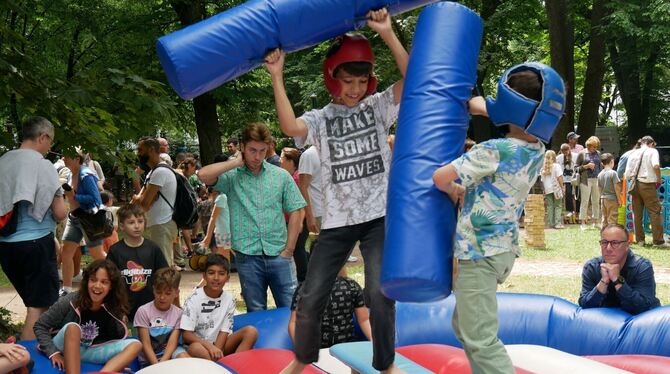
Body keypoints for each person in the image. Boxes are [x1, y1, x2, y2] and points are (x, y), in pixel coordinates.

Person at [264, 8, 407, 373]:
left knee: (378, 293)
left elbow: (414, 77)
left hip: (378, 218)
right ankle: (302, 359)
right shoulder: (322, 118)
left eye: (361, 82)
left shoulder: (377, 108)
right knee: (310, 296)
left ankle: (385, 363)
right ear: (333, 79)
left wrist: (387, 33)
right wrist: (277, 77)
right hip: (338, 222)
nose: (355, 90)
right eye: (348, 82)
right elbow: (287, 125)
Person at [433, 62, 565, 374]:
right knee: (465, 327)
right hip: (501, 250)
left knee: (479, 338)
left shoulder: (493, 150)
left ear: (508, 105)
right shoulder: (536, 148)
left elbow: (439, 177)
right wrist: (481, 107)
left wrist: (453, 189)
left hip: (479, 253)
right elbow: (492, 111)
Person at [198, 123, 306, 312]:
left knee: (292, 310)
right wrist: (234, 163)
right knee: (255, 311)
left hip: (279, 253)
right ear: (242, 148)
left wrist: (289, 250)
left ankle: (292, 343)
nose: (257, 156)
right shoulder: (231, 176)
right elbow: (202, 175)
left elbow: (297, 210)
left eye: (262, 151)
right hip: (247, 256)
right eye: (252, 150)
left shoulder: (280, 176)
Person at [0, 117, 67, 340]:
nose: (50, 148)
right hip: (36, 245)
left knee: (38, 306)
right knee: (37, 309)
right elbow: (59, 212)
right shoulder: (42, 165)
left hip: (7, 247)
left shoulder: (4, 161)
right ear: (43, 137)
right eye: (51, 141)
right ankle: (26, 362)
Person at [34, 259, 142, 374]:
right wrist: (53, 352)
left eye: (104, 282)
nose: (97, 286)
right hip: (64, 347)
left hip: (90, 351)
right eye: (93, 280)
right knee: (73, 328)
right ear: (87, 281)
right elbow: (40, 326)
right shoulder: (71, 300)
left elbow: (117, 338)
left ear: (111, 286)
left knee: (136, 344)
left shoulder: (114, 306)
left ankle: (102, 373)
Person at [180, 254, 258, 360]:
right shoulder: (193, 298)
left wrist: (217, 351)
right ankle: (219, 367)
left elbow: (224, 330)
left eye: (221, 274)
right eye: (211, 273)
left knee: (251, 331)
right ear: (204, 276)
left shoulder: (229, 299)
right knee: (195, 347)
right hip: (200, 346)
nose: (216, 278)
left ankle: (234, 365)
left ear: (227, 278)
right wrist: (210, 347)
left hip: (220, 346)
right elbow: (186, 334)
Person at [578, 224, 661, 315]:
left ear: (627, 245)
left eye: (615, 243)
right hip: (606, 325)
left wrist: (617, 280)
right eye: (604, 242)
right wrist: (603, 281)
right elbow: (584, 306)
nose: (608, 248)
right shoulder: (591, 267)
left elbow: (644, 307)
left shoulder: (642, 267)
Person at [107, 204, 169, 321]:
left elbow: (165, 276)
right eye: (131, 223)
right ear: (122, 226)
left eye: (140, 221)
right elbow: (110, 282)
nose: (137, 226)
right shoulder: (115, 250)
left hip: (151, 308)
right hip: (125, 309)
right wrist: (118, 309)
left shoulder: (153, 248)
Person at [60, 148, 106, 297]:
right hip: (74, 218)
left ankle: (116, 279)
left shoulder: (86, 175)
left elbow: (95, 199)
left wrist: (75, 195)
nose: (63, 158)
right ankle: (66, 289)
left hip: (89, 219)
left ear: (77, 159)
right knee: (66, 252)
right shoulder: (70, 174)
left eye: (66, 156)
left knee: (97, 254)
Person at [289, 266, 371, 348]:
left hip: (324, 348)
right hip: (342, 346)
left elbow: (294, 322)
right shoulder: (352, 286)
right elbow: (364, 320)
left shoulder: (305, 288)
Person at [132, 137, 179, 268]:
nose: (138, 153)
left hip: (162, 224)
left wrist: (138, 199)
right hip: (159, 224)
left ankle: (168, 288)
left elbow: (144, 204)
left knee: (162, 266)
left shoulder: (160, 172)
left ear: (152, 150)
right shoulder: (153, 172)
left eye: (140, 150)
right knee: (161, 264)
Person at [134, 267, 189, 366]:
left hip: (170, 353)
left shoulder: (179, 313)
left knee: (185, 359)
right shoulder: (143, 311)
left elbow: (173, 342)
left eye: (168, 293)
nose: (162, 297)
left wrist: (163, 363)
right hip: (149, 358)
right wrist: (157, 367)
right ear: (153, 290)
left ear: (176, 293)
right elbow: (146, 344)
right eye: (159, 292)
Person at [624, 136, 668, 247]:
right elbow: (656, 165)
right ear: (651, 143)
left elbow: (627, 172)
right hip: (647, 184)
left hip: (634, 185)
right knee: (654, 212)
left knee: (637, 213)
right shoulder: (652, 151)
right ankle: (658, 241)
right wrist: (658, 178)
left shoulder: (633, 153)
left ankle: (640, 241)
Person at [576, 136, 602, 230]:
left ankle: (596, 222)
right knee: (585, 201)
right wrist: (586, 166)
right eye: (593, 146)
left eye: (596, 146)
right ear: (589, 145)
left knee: (596, 201)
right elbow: (576, 169)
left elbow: (600, 167)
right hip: (585, 180)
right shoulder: (582, 153)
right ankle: (583, 223)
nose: (595, 148)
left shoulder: (598, 153)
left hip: (596, 179)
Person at [201, 188, 232, 260]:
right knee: (225, 257)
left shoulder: (221, 198)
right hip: (224, 231)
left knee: (223, 259)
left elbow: (213, 218)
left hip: (223, 232)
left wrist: (207, 237)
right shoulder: (224, 197)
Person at [540, 150, 564, 229]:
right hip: (556, 188)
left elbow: (542, 181)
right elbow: (559, 177)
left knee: (550, 206)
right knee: (558, 206)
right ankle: (557, 223)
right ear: (554, 157)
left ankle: (551, 223)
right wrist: (562, 187)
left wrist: (544, 190)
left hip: (547, 189)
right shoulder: (556, 166)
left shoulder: (543, 168)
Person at [597, 153, 621, 226]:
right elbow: (616, 187)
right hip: (612, 199)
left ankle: (604, 235)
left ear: (602, 163)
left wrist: (600, 197)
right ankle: (611, 235)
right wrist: (619, 199)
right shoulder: (613, 173)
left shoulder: (600, 174)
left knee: (604, 218)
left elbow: (599, 188)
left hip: (603, 198)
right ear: (612, 161)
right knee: (612, 218)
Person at [556, 143, 577, 221]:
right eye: (563, 152)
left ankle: (577, 211)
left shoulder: (575, 156)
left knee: (576, 196)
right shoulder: (558, 158)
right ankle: (570, 210)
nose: (565, 154)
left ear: (569, 150)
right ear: (561, 151)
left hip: (574, 179)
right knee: (568, 195)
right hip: (565, 179)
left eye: (567, 152)